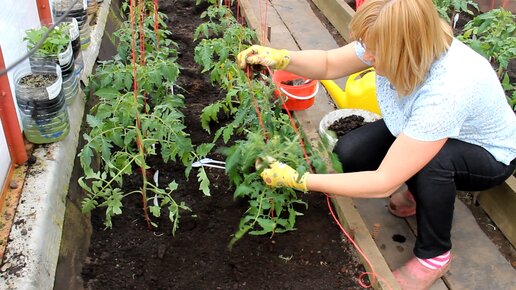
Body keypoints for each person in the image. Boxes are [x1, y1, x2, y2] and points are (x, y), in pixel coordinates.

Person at [236, 0, 516, 289]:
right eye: (365, 46)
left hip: (486, 152)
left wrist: (300, 180)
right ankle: (419, 190)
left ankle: (434, 255)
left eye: (374, 52)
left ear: (406, 51)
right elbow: (331, 63)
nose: (366, 56)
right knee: (351, 153)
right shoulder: (392, 38)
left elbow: (382, 183)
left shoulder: (449, 89)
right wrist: (282, 58)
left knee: (434, 164)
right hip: (423, 128)